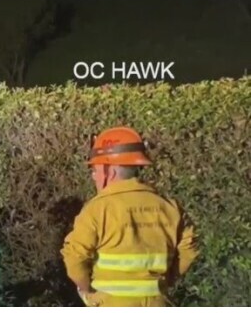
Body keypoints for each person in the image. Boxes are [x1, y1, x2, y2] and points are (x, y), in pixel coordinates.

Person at [61, 126, 199, 307]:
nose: (94, 177)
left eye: (95, 170)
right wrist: (164, 283)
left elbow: (75, 258)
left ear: (109, 171)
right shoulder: (170, 207)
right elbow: (189, 249)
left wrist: (87, 289)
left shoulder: (97, 209)